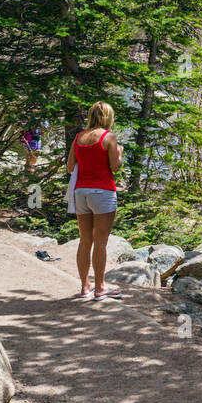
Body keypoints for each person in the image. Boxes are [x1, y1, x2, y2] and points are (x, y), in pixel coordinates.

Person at [67, 101, 123, 300]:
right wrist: (120, 153)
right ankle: (100, 288)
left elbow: (70, 166)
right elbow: (115, 167)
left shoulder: (79, 137)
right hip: (102, 192)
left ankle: (85, 286)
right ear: (108, 117)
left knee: (85, 240)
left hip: (80, 191)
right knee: (100, 242)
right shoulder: (109, 137)